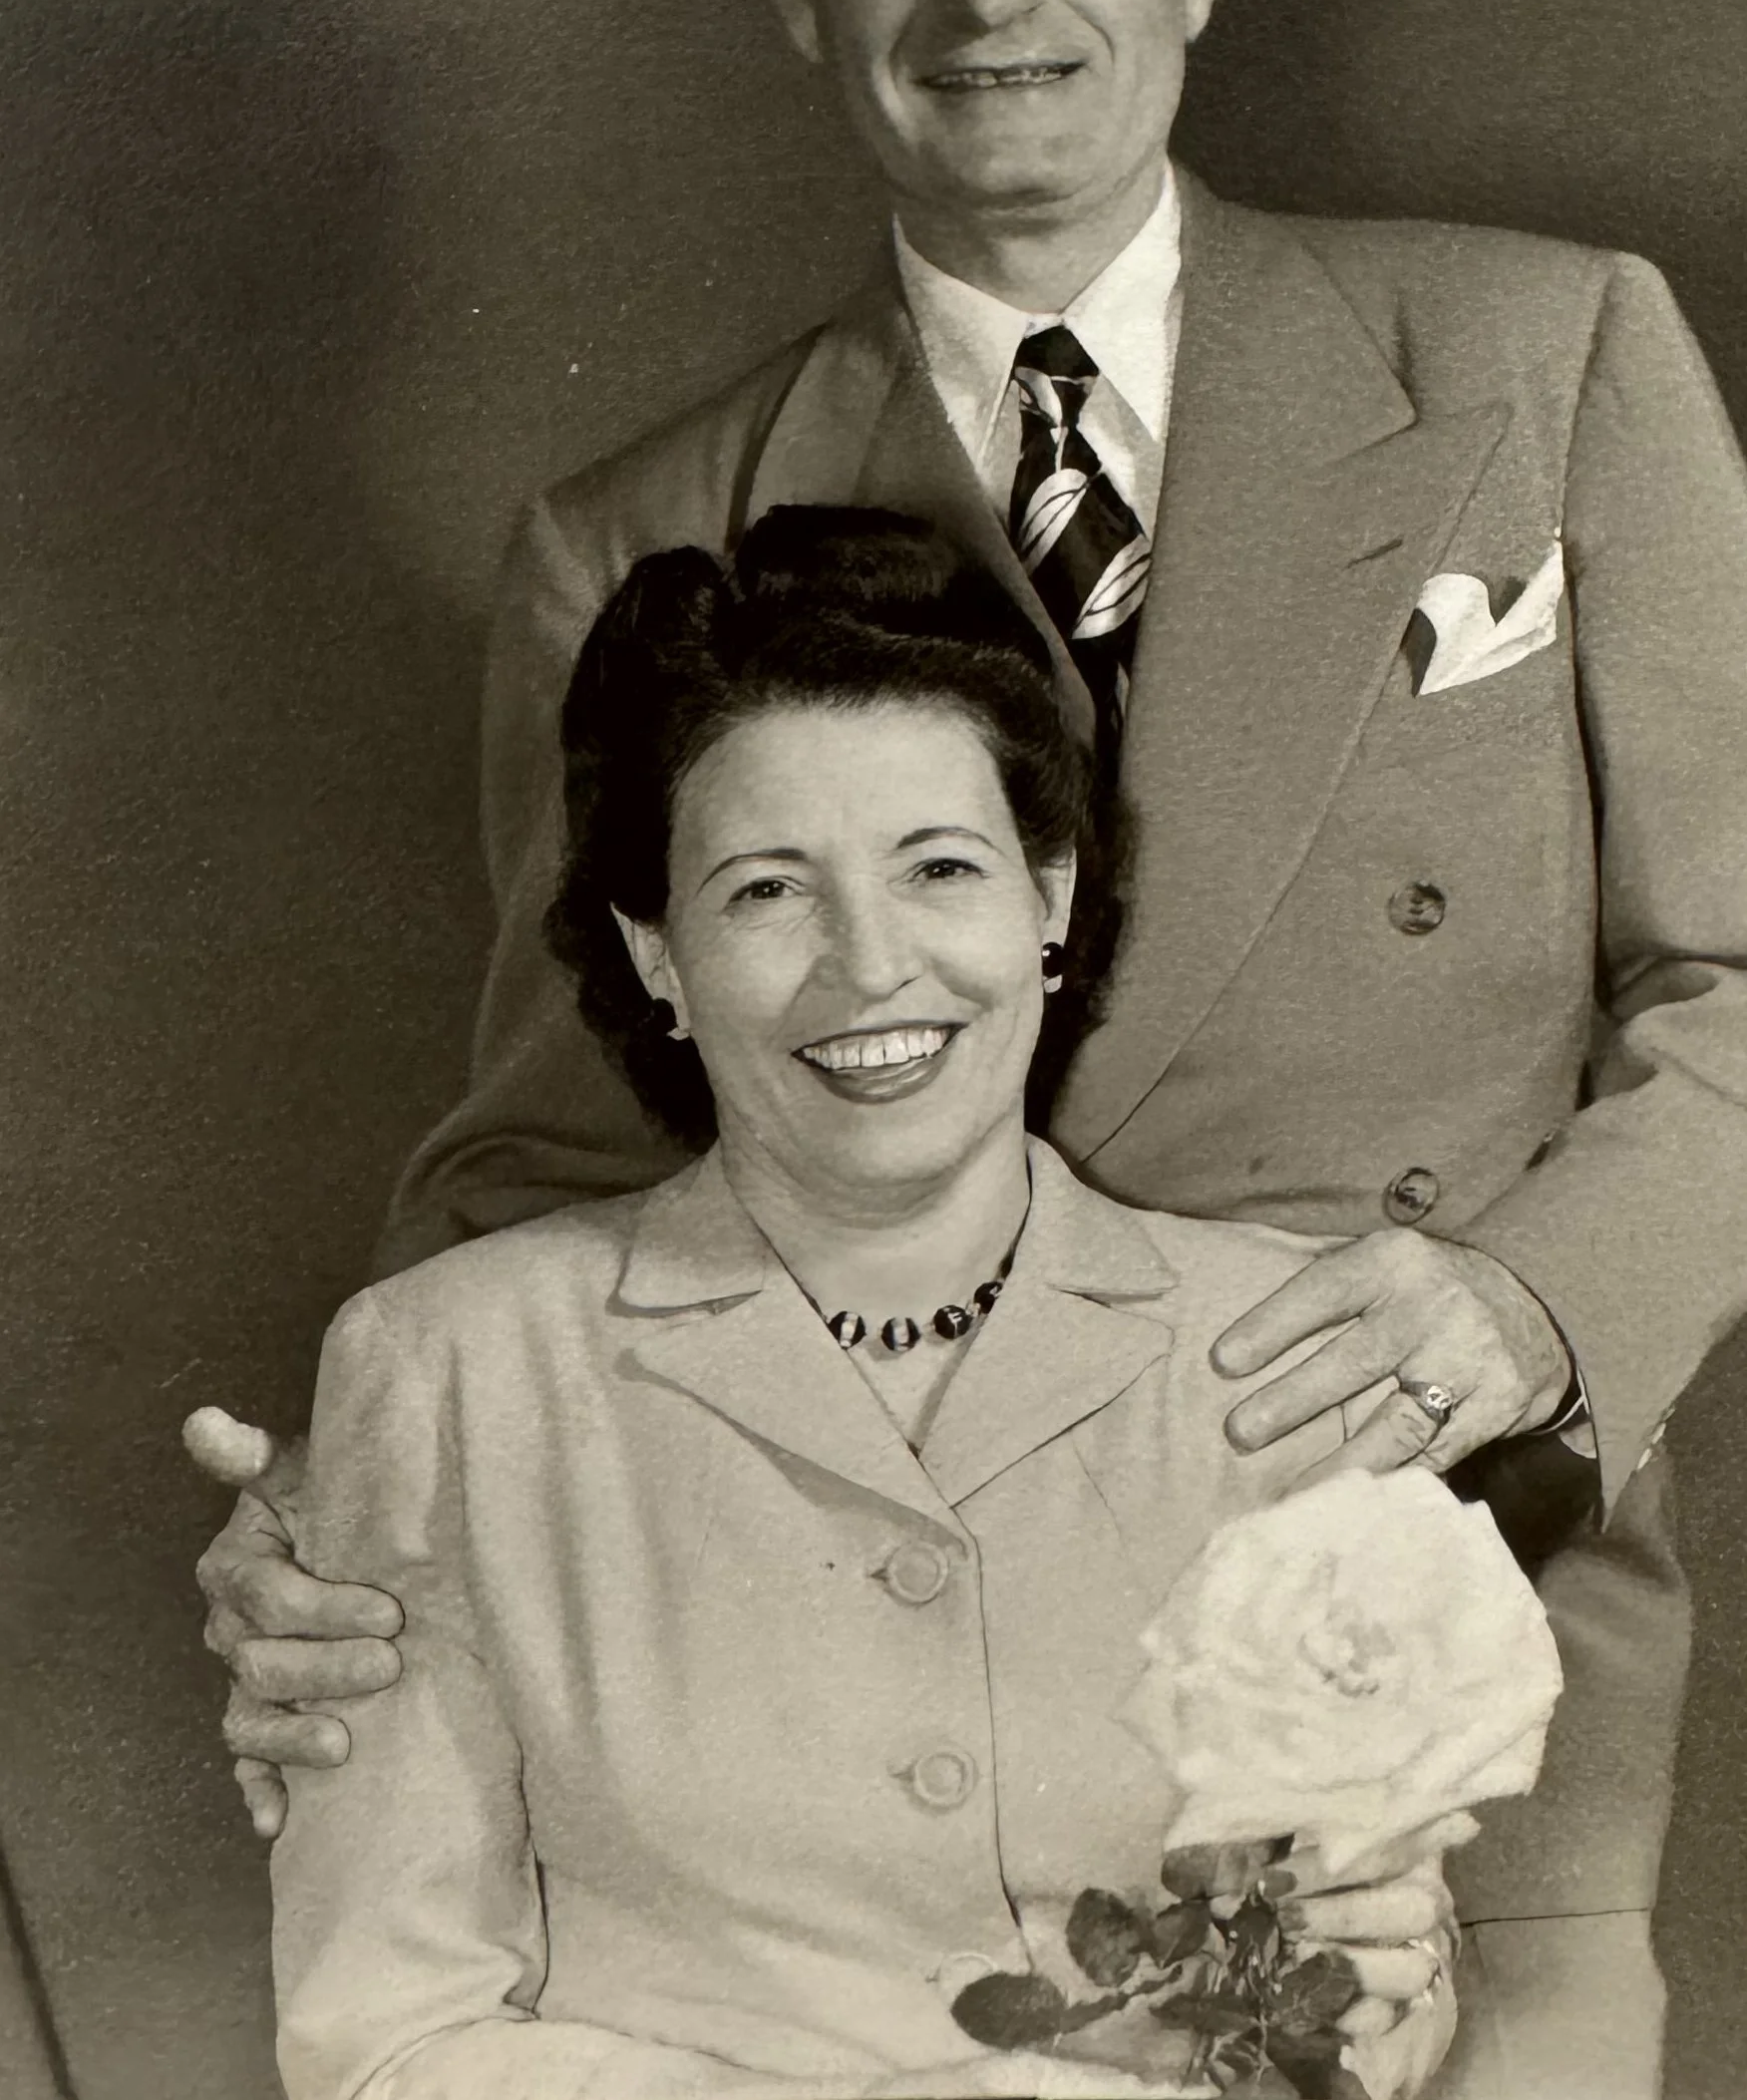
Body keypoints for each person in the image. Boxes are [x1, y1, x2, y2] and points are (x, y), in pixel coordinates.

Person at [193, 0, 1747, 2097]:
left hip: (1407, 1657)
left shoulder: (1543, 362)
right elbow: (546, 1175)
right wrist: (359, 1543)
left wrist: (1529, 1302)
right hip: (795, 1752)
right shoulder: (641, 532)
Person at [271, 506, 1464, 2100]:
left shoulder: (1289, 1358)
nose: (870, 965)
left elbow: (1370, 1989)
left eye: (940, 867)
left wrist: (1379, 2002)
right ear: (658, 955)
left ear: (1049, 900)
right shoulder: (451, 1369)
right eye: (769, 890)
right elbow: (384, 2035)